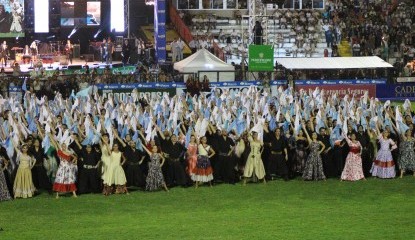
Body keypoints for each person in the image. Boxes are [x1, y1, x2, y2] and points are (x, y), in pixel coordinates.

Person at [50, 134, 78, 198]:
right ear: (61, 146)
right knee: (60, 179)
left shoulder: (69, 152)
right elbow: (55, 144)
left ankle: (74, 194)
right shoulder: (59, 152)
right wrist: (51, 137)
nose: (63, 146)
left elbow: (75, 157)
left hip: (68, 168)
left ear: (66, 146)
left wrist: (72, 162)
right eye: (62, 146)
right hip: (61, 168)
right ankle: (57, 194)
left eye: (64, 145)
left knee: (70, 180)